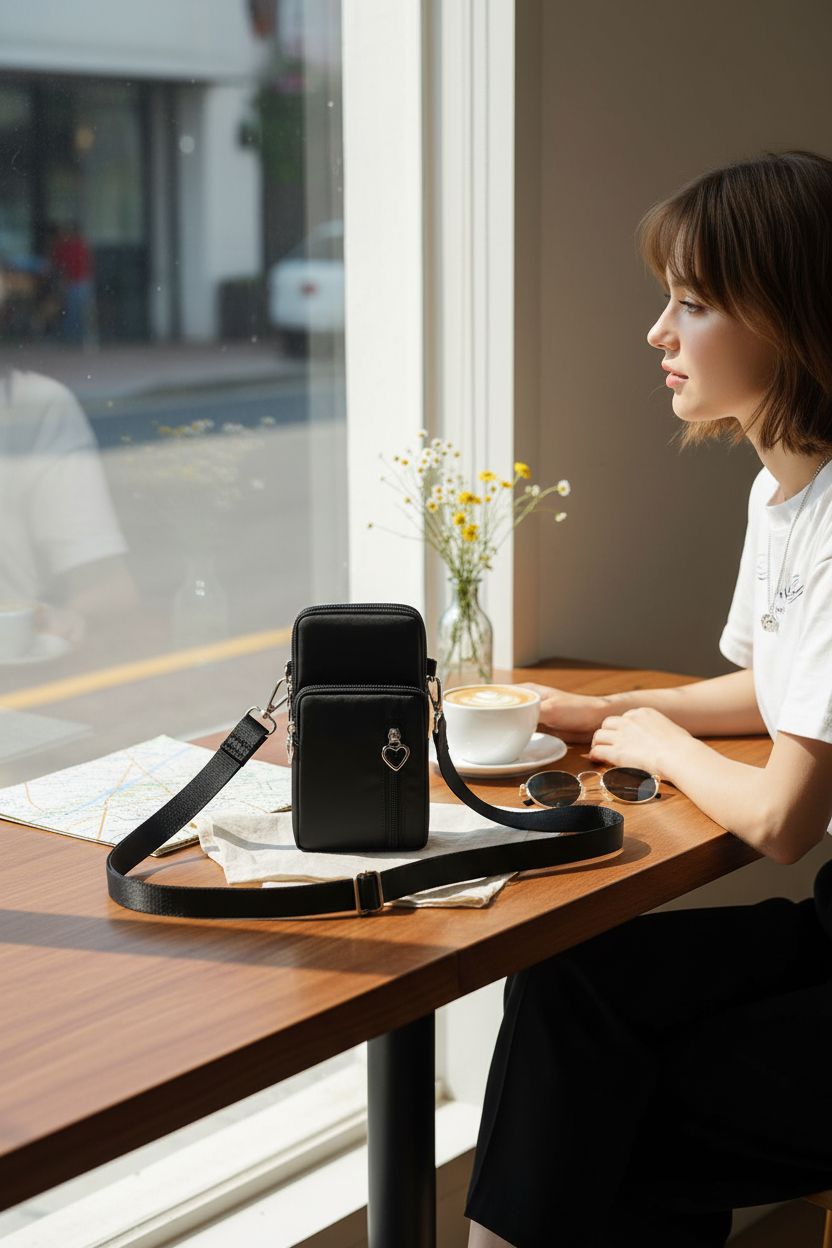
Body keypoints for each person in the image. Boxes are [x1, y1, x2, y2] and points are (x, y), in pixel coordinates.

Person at [464, 149, 832, 1247]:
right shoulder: (788, 492)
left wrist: (662, 740)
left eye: (690, 303)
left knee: (598, 1117)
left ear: (788, 316)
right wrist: (590, 712)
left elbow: (780, 818)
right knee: (571, 987)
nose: (656, 334)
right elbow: (787, 692)